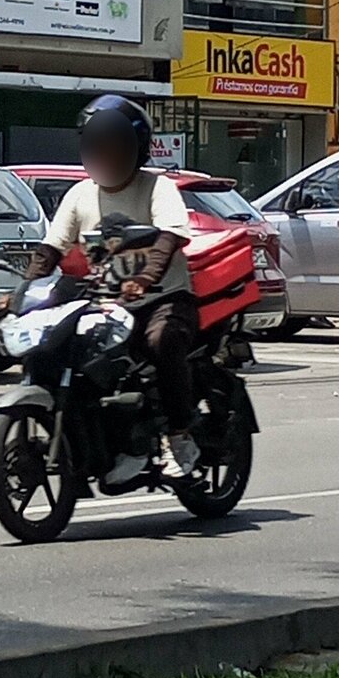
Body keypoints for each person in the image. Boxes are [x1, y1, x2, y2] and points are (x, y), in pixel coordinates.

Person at [25, 94, 200, 484]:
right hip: (107, 305)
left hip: (164, 300)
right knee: (69, 355)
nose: (106, 154)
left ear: (135, 149)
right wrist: (25, 288)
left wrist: (145, 280)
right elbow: (52, 246)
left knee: (161, 341)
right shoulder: (80, 194)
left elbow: (170, 237)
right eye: (97, 146)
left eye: (116, 146)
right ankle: (108, 444)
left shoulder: (157, 188)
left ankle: (180, 435)